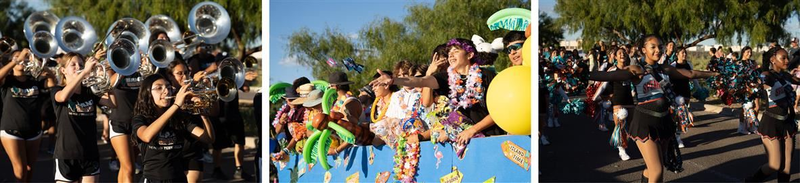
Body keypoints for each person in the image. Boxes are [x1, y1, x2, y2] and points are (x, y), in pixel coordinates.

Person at [589, 35, 717, 182]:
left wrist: (715, 73)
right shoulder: (637, 69)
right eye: (653, 47)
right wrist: (585, 74)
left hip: (663, 122)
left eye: (660, 47)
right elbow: (609, 76)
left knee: (654, 167)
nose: (658, 50)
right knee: (657, 170)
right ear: (644, 50)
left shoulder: (665, 68)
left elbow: (690, 74)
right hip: (644, 122)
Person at [370, 38, 506, 145]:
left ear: (470, 54)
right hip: (462, 141)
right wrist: (394, 81)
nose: (451, 55)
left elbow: (499, 111)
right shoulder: (446, 78)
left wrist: (472, 130)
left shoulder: (488, 76)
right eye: (449, 53)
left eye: (456, 51)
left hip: (491, 139)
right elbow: (419, 81)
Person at [132, 74, 214, 182]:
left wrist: (204, 115)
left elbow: (208, 138)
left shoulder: (179, 118)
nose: (166, 91)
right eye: (159, 88)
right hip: (153, 179)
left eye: (168, 87)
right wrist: (176, 105)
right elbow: (147, 136)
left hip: (178, 178)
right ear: (147, 93)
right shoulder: (140, 119)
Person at [52, 53, 114, 182]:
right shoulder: (57, 89)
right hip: (67, 154)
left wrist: (106, 81)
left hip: (90, 153)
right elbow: (63, 97)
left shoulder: (89, 91)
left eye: (80, 64)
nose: (78, 67)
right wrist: (84, 71)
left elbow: (112, 103)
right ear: (63, 70)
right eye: (73, 64)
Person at [0, 49, 57, 182]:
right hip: (11, 130)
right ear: (12, 61)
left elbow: (53, 83)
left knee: (30, 169)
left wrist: (46, 70)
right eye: (18, 57)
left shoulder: (35, 80)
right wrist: (16, 59)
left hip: (34, 130)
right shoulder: (7, 80)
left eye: (25, 59)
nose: (22, 60)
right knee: (20, 170)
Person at [744, 47, 798, 182]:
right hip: (771, 123)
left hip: (787, 122)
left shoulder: (785, 75)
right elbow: (762, 81)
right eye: (783, 58)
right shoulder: (767, 75)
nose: (787, 60)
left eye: (787, 57)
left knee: (786, 166)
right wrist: (757, 84)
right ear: (772, 60)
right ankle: (753, 180)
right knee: (775, 165)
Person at [165, 58, 210, 183]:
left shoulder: (195, 91)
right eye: (179, 73)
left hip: (193, 150)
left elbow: (215, 112)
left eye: (186, 72)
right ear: (170, 76)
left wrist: (209, 90)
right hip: (171, 152)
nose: (184, 76)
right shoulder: (165, 95)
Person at [608, 48, 633, 160]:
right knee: (620, 125)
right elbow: (604, 85)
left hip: (629, 100)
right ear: (616, 57)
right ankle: (621, 149)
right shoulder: (612, 70)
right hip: (618, 101)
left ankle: (625, 143)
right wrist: (600, 98)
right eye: (619, 53)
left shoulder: (630, 70)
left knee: (632, 125)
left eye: (624, 53)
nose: (622, 54)